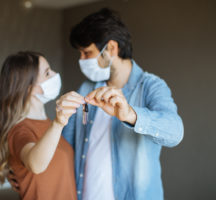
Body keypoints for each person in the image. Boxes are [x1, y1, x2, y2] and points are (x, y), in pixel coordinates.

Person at [60, 8, 184, 200]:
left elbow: (175, 132)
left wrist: (130, 115)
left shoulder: (151, 86)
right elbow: (64, 147)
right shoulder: (85, 89)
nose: (81, 60)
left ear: (111, 48)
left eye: (87, 52)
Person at [0, 51, 85, 200]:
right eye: (47, 73)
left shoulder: (48, 124)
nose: (54, 74)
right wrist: (59, 123)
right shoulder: (20, 130)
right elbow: (36, 165)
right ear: (28, 88)